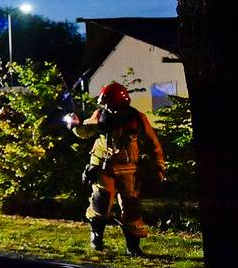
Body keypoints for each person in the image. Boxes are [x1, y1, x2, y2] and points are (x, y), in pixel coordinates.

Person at [66, 81, 165, 256]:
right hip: (103, 167)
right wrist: (75, 125)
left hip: (128, 169)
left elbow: (153, 143)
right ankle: (96, 238)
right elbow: (85, 131)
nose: (106, 108)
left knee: (132, 207)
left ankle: (133, 247)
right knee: (101, 203)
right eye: (104, 104)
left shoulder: (137, 118)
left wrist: (159, 167)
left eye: (109, 104)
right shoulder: (100, 115)